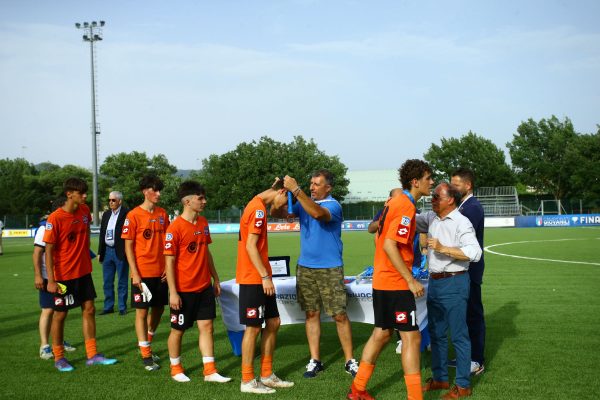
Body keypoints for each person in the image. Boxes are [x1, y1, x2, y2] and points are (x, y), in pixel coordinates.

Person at [347, 159, 433, 400]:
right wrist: (409, 279)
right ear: (415, 182)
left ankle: (357, 390)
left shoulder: (393, 202)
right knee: (411, 338)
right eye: (428, 178)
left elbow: (379, 237)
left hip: (382, 280)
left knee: (382, 333)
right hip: (395, 283)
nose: (432, 182)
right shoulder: (405, 206)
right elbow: (389, 244)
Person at [273, 169, 358, 379]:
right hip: (306, 267)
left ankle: (349, 360)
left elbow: (318, 214)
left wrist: (297, 190)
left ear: (328, 187)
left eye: (316, 184)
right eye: (310, 183)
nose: (311, 187)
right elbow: (278, 214)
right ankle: (315, 360)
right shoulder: (304, 202)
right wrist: (278, 194)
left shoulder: (333, 205)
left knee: (339, 314)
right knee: (311, 314)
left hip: (330, 267)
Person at [43, 177, 117, 372]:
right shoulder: (55, 218)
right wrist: (51, 280)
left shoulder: (85, 212)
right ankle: (59, 357)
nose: (85, 196)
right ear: (69, 194)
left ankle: (92, 355)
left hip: (83, 272)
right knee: (60, 315)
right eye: (81, 193)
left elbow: (82, 237)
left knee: (90, 309)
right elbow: (48, 251)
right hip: (63, 276)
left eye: (86, 192)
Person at [418, 182, 482, 399]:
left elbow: (475, 252)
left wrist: (443, 248)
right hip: (435, 283)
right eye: (433, 196)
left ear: (450, 199)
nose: (432, 200)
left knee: (458, 336)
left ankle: (463, 385)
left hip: (455, 282)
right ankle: (440, 379)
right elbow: (408, 216)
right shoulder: (432, 218)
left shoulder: (462, 222)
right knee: (436, 334)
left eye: (436, 197)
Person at [164, 181, 231, 384]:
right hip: (183, 290)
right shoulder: (174, 228)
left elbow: (206, 252)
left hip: (204, 287)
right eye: (200, 198)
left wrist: (215, 278)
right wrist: (173, 293)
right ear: (187, 201)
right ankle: (176, 369)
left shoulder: (202, 223)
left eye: (204, 197)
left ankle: (209, 371)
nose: (204, 201)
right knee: (178, 330)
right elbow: (169, 261)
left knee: (207, 326)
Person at [237, 178, 294, 394]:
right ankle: (247, 380)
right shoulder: (258, 210)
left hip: (260, 277)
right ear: (280, 192)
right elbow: (251, 246)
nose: (284, 207)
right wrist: (264, 276)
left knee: (273, 322)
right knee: (252, 328)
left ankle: (267, 374)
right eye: (285, 201)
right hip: (254, 278)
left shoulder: (257, 205)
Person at [122, 175, 170, 371]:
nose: (158, 194)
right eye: (154, 190)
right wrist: (135, 273)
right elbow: (128, 247)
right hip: (142, 271)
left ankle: (147, 342)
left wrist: (168, 267)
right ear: (145, 191)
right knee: (142, 311)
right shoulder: (133, 216)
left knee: (159, 309)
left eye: (159, 190)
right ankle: (145, 355)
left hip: (161, 272)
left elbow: (168, 243)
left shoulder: (163, 214)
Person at [451, 168, 486, 375]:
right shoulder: (464, 206)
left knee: (473, 315)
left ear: (468, 185)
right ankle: (466, 356)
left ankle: (477, 360)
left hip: (470, 269)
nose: (453, 187)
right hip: (462, 269)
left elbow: (460, 239)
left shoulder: (471, 208)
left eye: (456, 184)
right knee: (464, 316)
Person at [33, 196, 76, 360]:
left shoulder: (63, 224)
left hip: (62, 275)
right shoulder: (44, 229)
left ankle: (58, 341)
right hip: (46, 277)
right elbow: (37, 253)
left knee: (60, 310)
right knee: (48, 309)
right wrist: (38, 275)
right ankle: (44, 346)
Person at [98, 191, 129, 315]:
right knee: (107, 281)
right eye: (109, 200)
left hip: (120, 251)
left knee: (122, 280)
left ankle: (122, 307)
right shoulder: (106, 214)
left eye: (113, 200)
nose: (111, 202)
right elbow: (102, 233)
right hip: (107, 251)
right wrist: (100, 251)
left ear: (120, 201)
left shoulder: (127, 213)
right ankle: (108, 306)